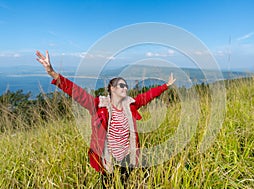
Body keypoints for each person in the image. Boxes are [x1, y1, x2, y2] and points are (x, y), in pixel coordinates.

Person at [35, 50, 176, 187]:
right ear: (112, 89)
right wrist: (52, 73)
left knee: (126, 183)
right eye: (121, 85)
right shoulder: (99, 105)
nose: (125, 88)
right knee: (108, 184)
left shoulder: (130, 104)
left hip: (127, 156)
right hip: (107, 157)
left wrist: (166, 86)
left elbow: (147, 96)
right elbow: (77, 93)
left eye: (125, 86)